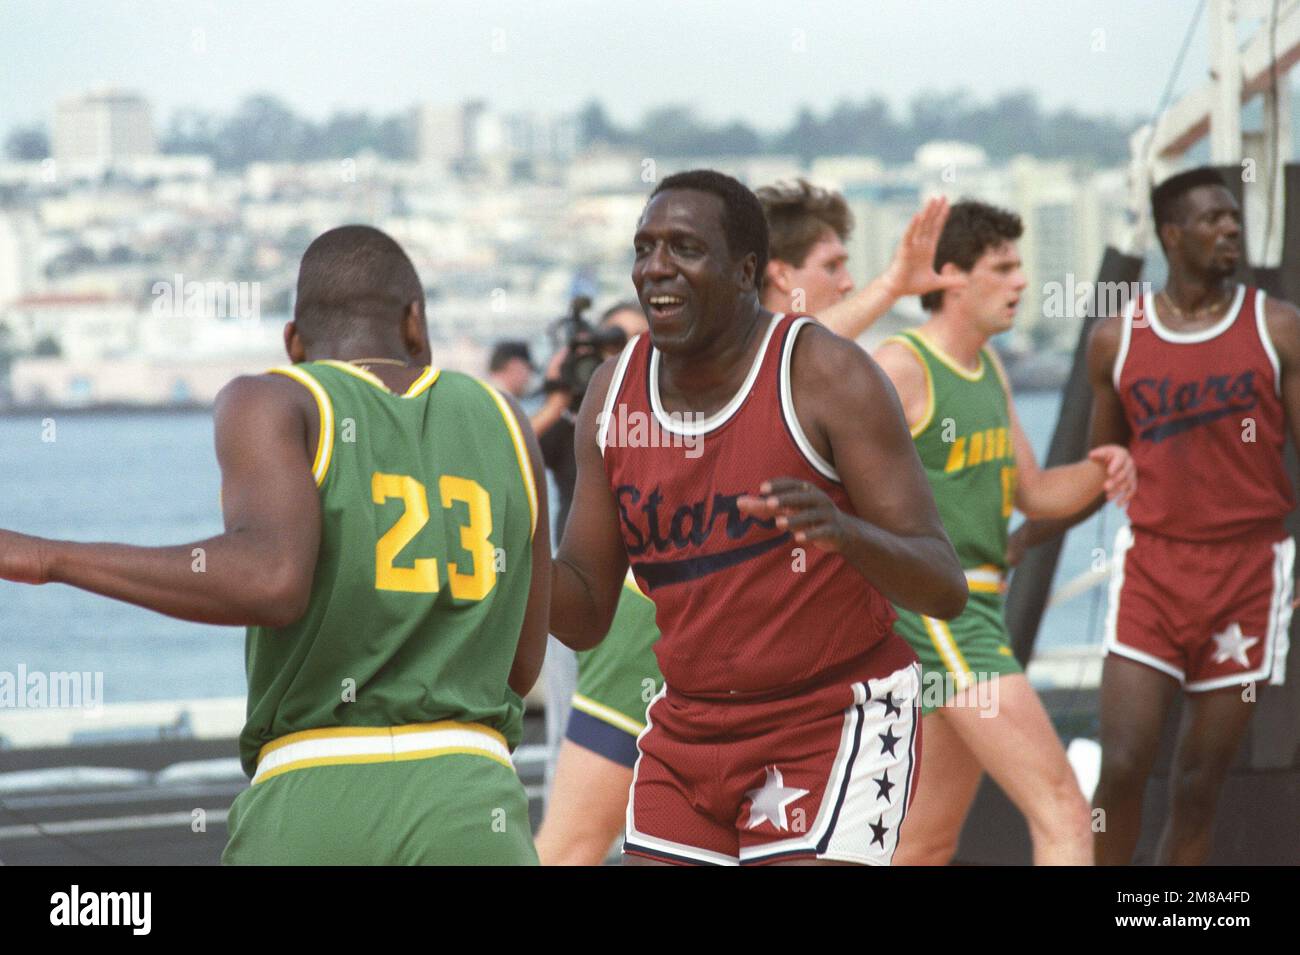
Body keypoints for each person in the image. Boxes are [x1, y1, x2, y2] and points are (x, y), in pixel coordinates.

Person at [0, 225, 551, 865]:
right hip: (471, 801)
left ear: (294, 342)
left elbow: (272, 581)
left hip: (317, 793)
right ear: (415, 324)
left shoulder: (273, 398)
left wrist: (50, 558)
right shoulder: (508, 421)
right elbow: (521, 664)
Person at [535, 181, 962, 865]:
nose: (656, 267)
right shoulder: (612, 394)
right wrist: (514, 542)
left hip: (831, 717)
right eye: (644, 249)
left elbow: (943, 584)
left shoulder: (826, 373)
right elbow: (584, 611)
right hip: (690, 727)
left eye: (685, 248)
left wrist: (845, 533)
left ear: (744, 273)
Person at [1015, 167, 1300, 864]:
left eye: (1234, 217)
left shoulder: (1278, 328)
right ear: (1172, 234)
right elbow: (1099, 470)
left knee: (1199, 781)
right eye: (1213, 219)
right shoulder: (1117, 340)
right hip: (1153, 568)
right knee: (1123, 765)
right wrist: (1017, 540)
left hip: (1249, 572)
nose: (1230, 229)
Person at [871, 200, 1135, 865]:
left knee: (926, 841)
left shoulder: (988, 369)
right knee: (1066, 812)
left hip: (974, 607)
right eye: (1003, 267)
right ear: (952, 277)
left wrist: (1113, 466)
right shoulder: (901, 365)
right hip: (941, 614)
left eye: (1021, 266)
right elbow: (818, 455)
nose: (1021, 281)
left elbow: (1035, 493)